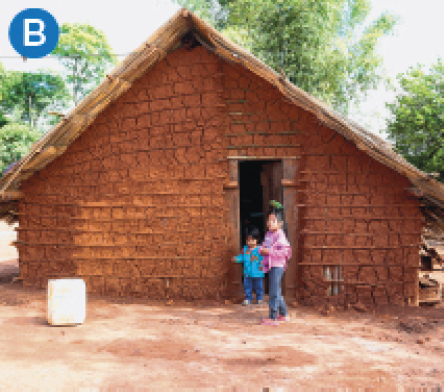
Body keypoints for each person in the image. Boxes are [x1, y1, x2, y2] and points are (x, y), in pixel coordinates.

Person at [259, 201, 292, 326]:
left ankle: (273, 317)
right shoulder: (268, 234)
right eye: (269, 220)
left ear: (280, 223)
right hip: (271, 265)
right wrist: (262, 250)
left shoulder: (280, 236)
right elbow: (265, 246)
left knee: (273, 291)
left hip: (277, 266)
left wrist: (269, 251)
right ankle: (283, 314)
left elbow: (285, 251)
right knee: (276, 291)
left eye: (273, 221)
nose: (269, 223)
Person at [232, 226, 265, 305]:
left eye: (252, 240)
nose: (250, 242)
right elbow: (242, 257)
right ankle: (248, 298)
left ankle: (259, 298)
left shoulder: (260, 249)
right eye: (248, 240)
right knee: (247, 286)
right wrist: (236, 259)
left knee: (259, 286)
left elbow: (265, 258)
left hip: (258, 272)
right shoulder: (245, 249)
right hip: (247, 273)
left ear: (257, 239)